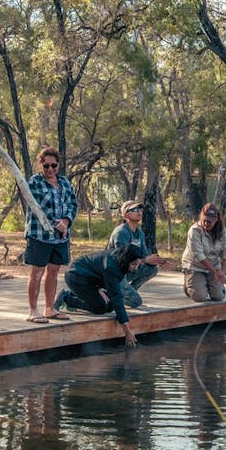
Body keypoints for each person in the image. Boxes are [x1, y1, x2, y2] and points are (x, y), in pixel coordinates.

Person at [24, 146, 79, 322]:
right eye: (46, 166)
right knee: (37, 271)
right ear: (41, 165)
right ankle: (33, 310)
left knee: (54, 271)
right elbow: (37, 207)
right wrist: (57, 224)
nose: (50, 169)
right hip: (40, 234)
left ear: (58, 165)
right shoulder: (34, 182)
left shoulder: (64, 182)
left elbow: (72, 203)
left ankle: (50, 308)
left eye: (53, 166)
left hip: (61, 236)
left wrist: (66, 221)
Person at [54, 245, 144, 346]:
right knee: (100, 307)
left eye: (138, 265)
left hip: (90, 278)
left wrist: (98, 288)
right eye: (133, 264)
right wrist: (127, 330)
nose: (136, 268)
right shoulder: (112, 266)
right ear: (126, 259)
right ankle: (67, 298)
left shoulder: (119, 259)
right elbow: (116, 297)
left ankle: (79, 294)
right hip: (75, 275)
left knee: (110, 306)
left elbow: (102, 275)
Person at [107, 199, 162, 307]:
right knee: (136, 303)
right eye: (135, 209)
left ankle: (130, 292)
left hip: (129, 269)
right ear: (126, 214)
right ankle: (114, 293)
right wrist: (145, 260)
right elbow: (122, 259)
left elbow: (144, 254)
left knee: (152, 269)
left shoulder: (139, 233)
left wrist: (158, 260)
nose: (139, 212)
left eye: (140, 209)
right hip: (116, 272)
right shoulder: (121, 232)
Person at [181, 203, 226, 302]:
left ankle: (207, 284)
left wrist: (222, 272)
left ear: (216, 220)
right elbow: (198, 255)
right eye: (204, 220)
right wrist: (215, 272)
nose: (206, 224)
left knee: (218, 297)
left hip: (213, 266)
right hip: (195, 266)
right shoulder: (194, 230)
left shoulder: (222, 231)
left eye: (209, 222)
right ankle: (188, 286)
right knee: (200, 297)